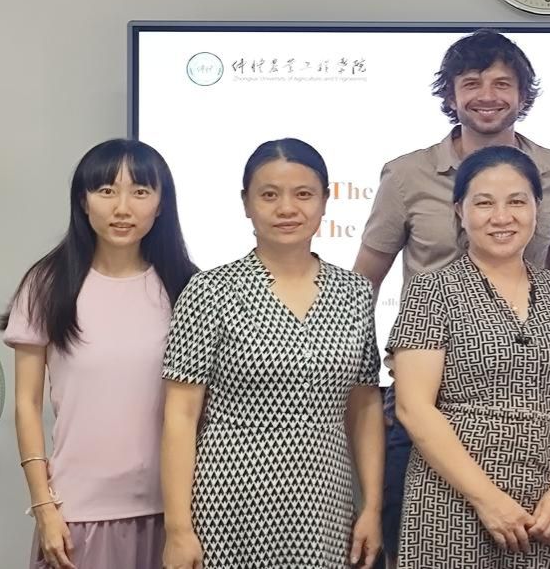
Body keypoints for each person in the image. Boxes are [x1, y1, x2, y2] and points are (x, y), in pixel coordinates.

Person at [354, 28, 550, 562]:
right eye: (471, 83)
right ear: (450, 94)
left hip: (531, 398)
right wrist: (366, 390)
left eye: (503, 83)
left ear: (523, 94)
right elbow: (363, 284)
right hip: (427, 397)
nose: (487, 96)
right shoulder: (407, 175)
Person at [160, 138, 384, 569]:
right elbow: (180, 415)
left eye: (303, 194)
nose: (287, 208)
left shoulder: (354, 292)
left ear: (325, 200)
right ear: (246, 203)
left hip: (324, 504)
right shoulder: (210, 291)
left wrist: (372, 507)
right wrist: (178, 529)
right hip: (228, 504)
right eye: (269, 195)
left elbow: (365, 406)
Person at [387, 146, 550, 568]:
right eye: (484, 203)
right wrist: (488, 500)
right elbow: (414, 407)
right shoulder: (431, 291)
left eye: (517, 202)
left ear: (537, 208)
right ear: (460, 211)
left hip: (549, 508)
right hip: (451, 502)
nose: (501, 217)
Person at [0, 138, 197, 569]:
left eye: (140, 192)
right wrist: (44, 507)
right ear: (82, 201)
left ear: (161, 204)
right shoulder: (47, 285)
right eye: (106, 191)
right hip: (77, 516)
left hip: (175, 515)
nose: (122, 208)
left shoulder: (188, 288)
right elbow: (26, 404)